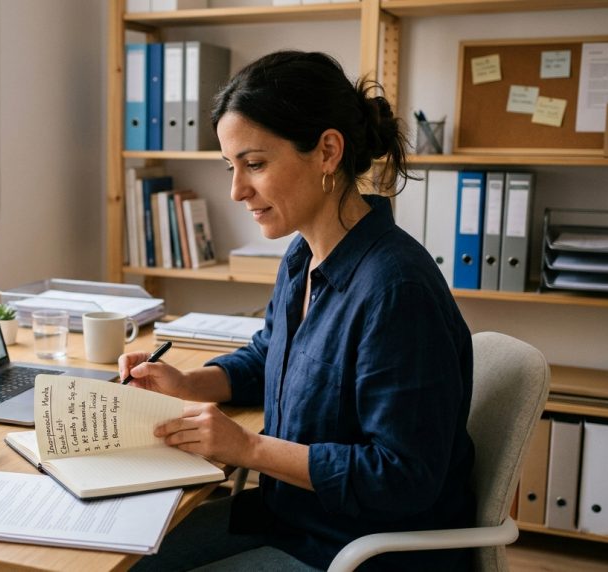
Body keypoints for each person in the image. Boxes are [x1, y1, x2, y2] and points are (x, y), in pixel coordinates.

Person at [122, 50, 475, 572]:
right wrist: (189, 384)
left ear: (328, 150)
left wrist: (246, 446)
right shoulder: (304, 254)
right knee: (127, 558)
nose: (237, 191)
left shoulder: (396, 289)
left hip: (358, 548)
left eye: (255, 164)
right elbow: (274, 355)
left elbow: (402, 476)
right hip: (291, 513)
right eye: (231, 167)